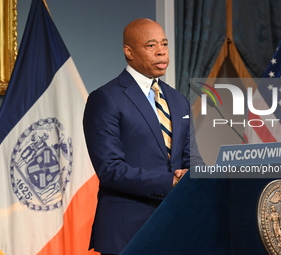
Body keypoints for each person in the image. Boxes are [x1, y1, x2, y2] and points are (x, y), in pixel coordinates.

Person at [83, 18, 204, 255]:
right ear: (129, 52)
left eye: (164, 44)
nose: (161, 51)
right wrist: (170, 182)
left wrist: (194, 176)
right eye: (151, 46)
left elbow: (192, 157)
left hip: (178, 226)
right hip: (128, 233)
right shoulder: (105, 99)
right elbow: (110, 169)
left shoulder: (178, 100)